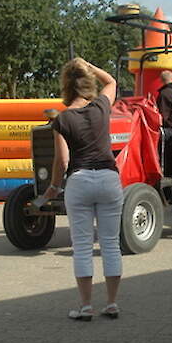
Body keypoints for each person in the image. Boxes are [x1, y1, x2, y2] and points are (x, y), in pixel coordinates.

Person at [41, 58, 123, 321]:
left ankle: (86, 306)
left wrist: (53, 187)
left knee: (83, 246)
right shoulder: (101, 106)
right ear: (88, 82)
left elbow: (62, 161)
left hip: (80, 181)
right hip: (109, 179)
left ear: (66, 86)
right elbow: (111, 81)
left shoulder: (61, 119)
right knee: (110, 244)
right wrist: (89, 65)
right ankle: (111, 303)